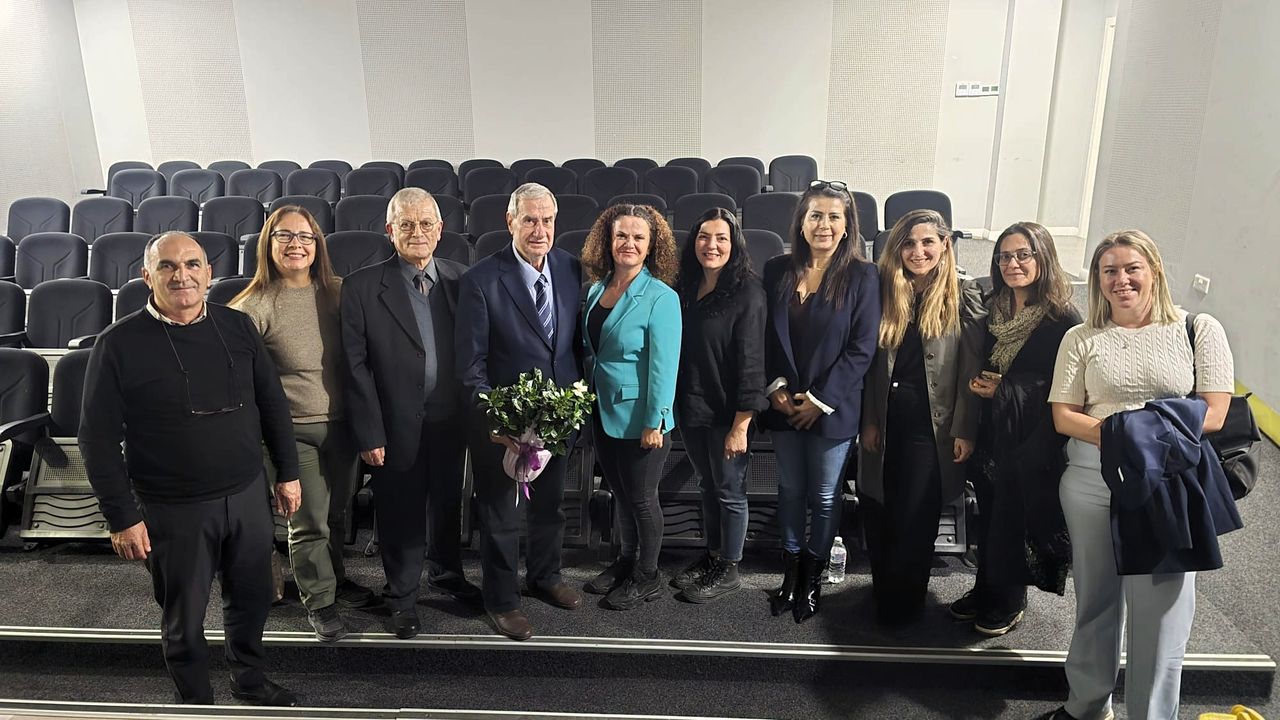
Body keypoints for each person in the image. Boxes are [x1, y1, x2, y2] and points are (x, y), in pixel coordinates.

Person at [79, 231, 301, 706]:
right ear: (147, 276)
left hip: (247, 495)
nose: (182, 275)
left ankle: (250, 681)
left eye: (192, 264)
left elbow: (272, 404)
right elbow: (96, 439)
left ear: (209, 273)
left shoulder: (237, 326)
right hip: (173, 507)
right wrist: (121, 517)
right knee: (184, 616)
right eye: (168, 266)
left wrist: (288, 471)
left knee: (252, 599)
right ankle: (195, 701)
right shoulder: (117, 344)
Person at [1042, 229, 1234, 720]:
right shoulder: (1080, 337)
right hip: (1092, 478)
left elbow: (1214, 413)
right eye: (1109, 271)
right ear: (1097, 279)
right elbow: (1064, 416)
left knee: (1161, 615)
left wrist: (1136, 438)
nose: (1121, 280)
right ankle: (1087, 705)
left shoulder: (1197, 329)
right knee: (1095, 600)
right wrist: (1128, 437)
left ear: (1155, 272)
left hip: (1166, 482)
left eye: (1132, 268)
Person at [229, 206, 375, 642]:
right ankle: (320, 600)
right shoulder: (251, 306)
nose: (296, 245)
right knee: (308, 521)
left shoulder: (341, 293)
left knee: (337, 513)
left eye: (305, 237)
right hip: (292, 433)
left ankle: (335, 579)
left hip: (344, 427)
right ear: (267, 244)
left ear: (318, 245)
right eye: (285, 236)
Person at [340, 187, 479, 640]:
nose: (417, 232)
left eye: (425, 224)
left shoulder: (462, 279)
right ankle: (401, 595)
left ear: (440, 230)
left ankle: (446, 574)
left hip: (451, 420)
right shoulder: (361, 287)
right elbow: (355, 367)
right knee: (399, 511)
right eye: (406, 224)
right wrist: (369, 433)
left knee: (447, 502)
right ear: (390, 230)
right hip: (393, 424)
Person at [456, 183, 586, 640]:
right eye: (530, 220)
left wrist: (573, 409)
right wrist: (495, 423)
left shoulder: (570, 268)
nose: (540, 230)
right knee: (501, 516)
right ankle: (501, 599)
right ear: (510, 222)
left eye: (547, 220)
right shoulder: (481, 280)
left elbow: (572, 346)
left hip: (557, 421)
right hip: (504, 428)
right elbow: (471, 365)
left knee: (550, 507)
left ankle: (545, 576)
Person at [951, 222, 1081, 637]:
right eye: (1004, 256)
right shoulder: (992, 305)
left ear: (1043, 257)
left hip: (1031, 435)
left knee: (1014, 518)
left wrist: (1004, 389)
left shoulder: (1061, 318)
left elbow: (1067, 385)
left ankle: (1010, 599)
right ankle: (985, 587)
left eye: (1023, 255)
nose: (1013, 263)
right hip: (991, 429)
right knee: (988, 513)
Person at [859, 208, 985, 626]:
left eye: (928, 242)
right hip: (887, 417)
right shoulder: (884, 290)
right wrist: (870, 420)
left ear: (945, 245)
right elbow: (872, 367)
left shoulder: (963, 293)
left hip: (932, 426)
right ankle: (884, 591)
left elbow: (971, 369)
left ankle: (906, 603)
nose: (918, 251)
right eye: (909, 244)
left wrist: (965, 428)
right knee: (879, 506)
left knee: (915, 516)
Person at [762, 181, 880, 623]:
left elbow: (862, 347)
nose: (824, 225)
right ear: (801, 222)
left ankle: (812, 577)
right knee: (790, 490)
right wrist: (773, 388)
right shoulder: (776, 269)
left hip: (834, 408)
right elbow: (764, 336)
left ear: (847, 226)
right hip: (783, 405)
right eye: (815, 215)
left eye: (833, 216)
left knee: (826, 496)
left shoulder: (864, 276)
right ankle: (790, 572)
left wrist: (819, 399)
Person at [580, 203, 681, 610]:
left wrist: (656, 421)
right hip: (603, 411)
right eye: (621, 235)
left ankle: (648, 575)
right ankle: (626, 561)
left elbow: (664, 366)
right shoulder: (597, 288)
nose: (629, 243)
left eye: (639, 237)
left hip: (642, 419)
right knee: (620, 495)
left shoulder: (661, 297)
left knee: (641, 498)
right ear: (608, 240)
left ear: (652, 245)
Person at [669, 208, 767, 602]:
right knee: (708, 486)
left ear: (734, 244)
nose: (712, 245)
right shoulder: (684, 288)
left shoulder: (748, 292)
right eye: (704, 237)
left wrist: (741, 425)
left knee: (729, 491)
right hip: (692, 407)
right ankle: (713, 556)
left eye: (721, 238)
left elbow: (753, 362)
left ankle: (730, 567)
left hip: (730, 414)